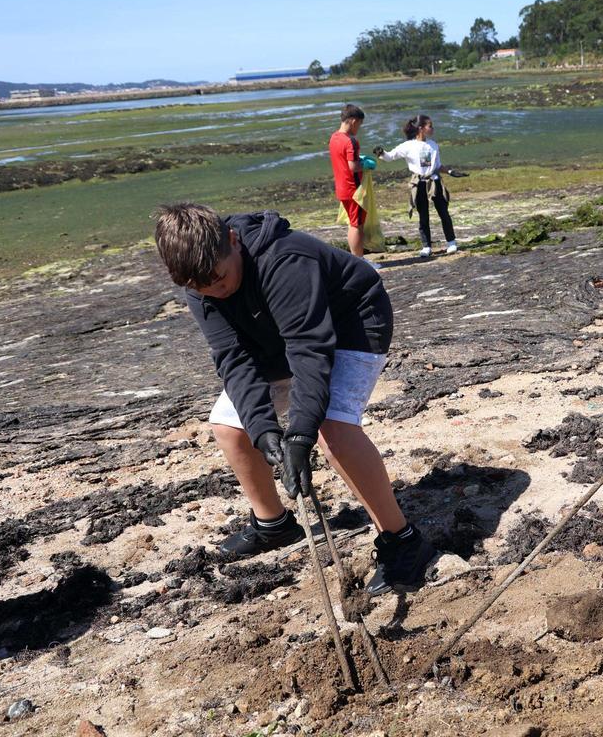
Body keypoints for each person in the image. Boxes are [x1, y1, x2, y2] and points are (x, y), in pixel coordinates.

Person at [153, 203, 436, 595]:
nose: (216, 291)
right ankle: (274, 524)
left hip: (353, 320)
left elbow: (309, 353)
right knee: (231, 428)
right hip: (273, 336)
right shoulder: (200, 283)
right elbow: (234, 360)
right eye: (203, 289)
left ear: (232, 241)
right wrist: (265, 430)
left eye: (220, 279)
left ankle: (403, 539)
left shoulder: (284, 258)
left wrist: (300, 434)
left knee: (332, 429)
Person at [374, 115, 457, 258]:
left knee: (444, 212)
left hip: (434, 181)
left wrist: (450, 171)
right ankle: (426, 246)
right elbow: (390, 157)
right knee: (423, 215)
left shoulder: (433, 145)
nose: (432, 128)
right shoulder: (408, 146)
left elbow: (437, 166)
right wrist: (380, 153)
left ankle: (451, 242)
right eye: (430, 126)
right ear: (421, 128)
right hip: (418, 183)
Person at [328, 104, 379, 266]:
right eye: (359, 124)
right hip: (354, 189)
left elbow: (343, 160)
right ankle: (360, 261)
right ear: (353, 121)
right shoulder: (351, 141)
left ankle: (357, 259)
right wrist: (365, 164)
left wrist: (358, 159)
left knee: (353, 223)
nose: (359, 128)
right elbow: (353, 167)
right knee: (357, 225)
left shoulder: (334, 137)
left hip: (342, 187)